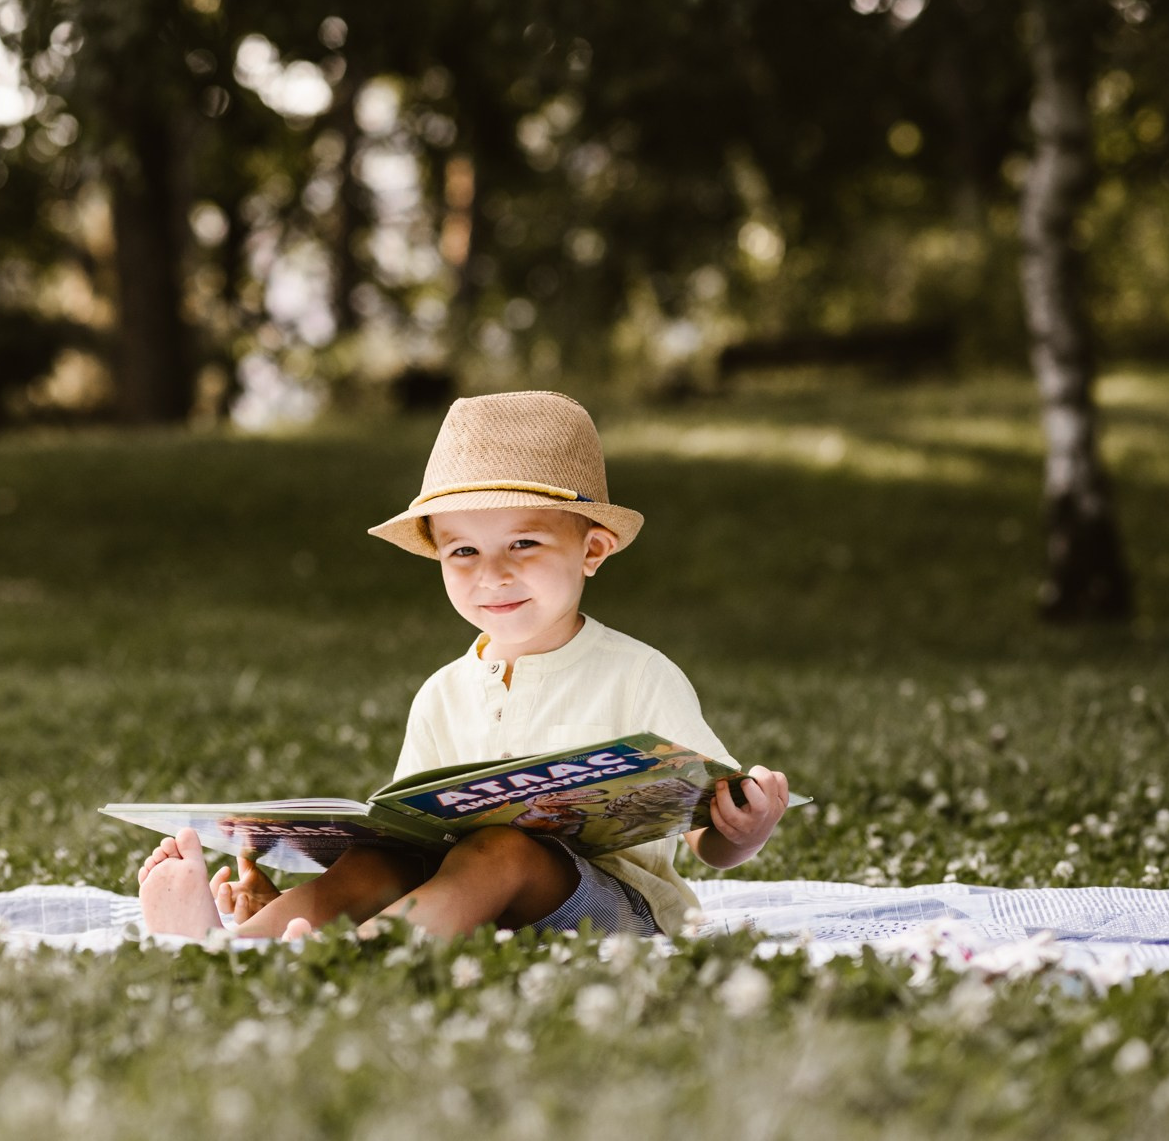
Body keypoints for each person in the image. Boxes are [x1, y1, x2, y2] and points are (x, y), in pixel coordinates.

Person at [137, 390, 790, 941]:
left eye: (524, 543)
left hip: (616, 911)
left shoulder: (640, 676)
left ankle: (361, 953)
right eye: (464, 551)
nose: (492, 573)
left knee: (501, 849)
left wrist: (746, 830)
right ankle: (249, 939)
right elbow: (406, 835)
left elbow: (707, 832)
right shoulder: (443, 693)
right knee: (377, 860)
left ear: (592, 548)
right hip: (464, 894)